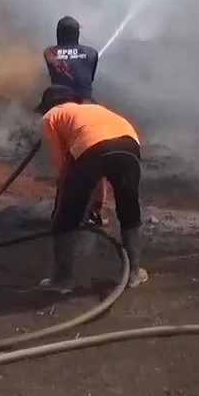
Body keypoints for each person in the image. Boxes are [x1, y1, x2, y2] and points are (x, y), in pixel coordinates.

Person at [34, 84, 149, 292]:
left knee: (65, 218)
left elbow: (63, 166)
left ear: (49, 105)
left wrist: (69, 201)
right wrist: (97, 203)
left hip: (91, 149)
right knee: (129, 210)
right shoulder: (95, 109)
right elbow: (102, 165)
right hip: (129, 145)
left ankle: (62, 279)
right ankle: (134, 273)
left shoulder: (51, 116)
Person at [42, 16, 108, 225]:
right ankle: (95, 211)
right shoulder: (91, 52)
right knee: (97, 159)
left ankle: (60, 210)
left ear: (58, 34)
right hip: (89, 109)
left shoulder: (49, 52)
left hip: (62, 110)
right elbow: (89, 77)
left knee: (66, 162)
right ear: (78, 34)